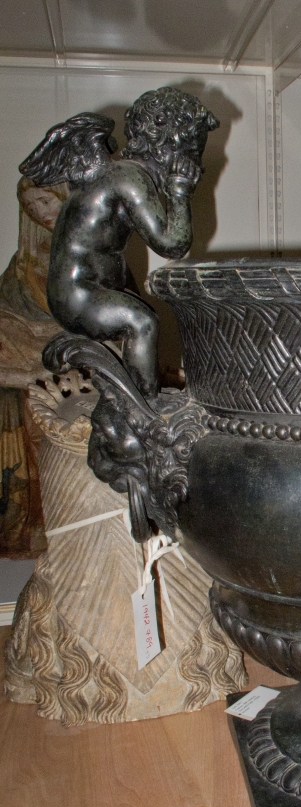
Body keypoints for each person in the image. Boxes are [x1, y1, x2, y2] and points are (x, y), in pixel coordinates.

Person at [20, 87, 219, 402]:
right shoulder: (129, 179)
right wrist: (180, 191)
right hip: (78, 295)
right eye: (191, 154)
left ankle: (137, 394)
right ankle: (145, 408)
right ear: (167, 146)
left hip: (83, 289)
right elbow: (172, 245)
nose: (194, 165)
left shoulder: (117, 173)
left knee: (142, 315)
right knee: (142, 323)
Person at [0, 178, 67, 558]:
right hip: (29, 366)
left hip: (71, 364)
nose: (41, 212)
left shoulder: (92, 254)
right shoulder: (22, 265)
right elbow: (8, 310)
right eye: (31, 206)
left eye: (45, 200)